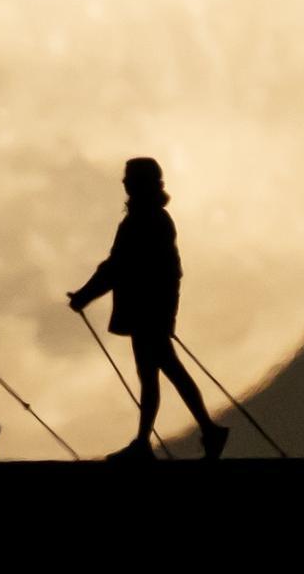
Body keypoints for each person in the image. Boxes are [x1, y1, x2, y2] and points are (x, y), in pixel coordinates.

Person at [68, 158, 229, 462]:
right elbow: (140, 268)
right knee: (158, 373)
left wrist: (84, 296)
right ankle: (165, 438)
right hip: (151, 310)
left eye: (129, 179)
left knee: (162, 371)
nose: (124, 183)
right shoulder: (152, 219)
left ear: (140, 184)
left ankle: (194, 432)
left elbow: (118, 266)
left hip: (147, 311)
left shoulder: (144, 221)